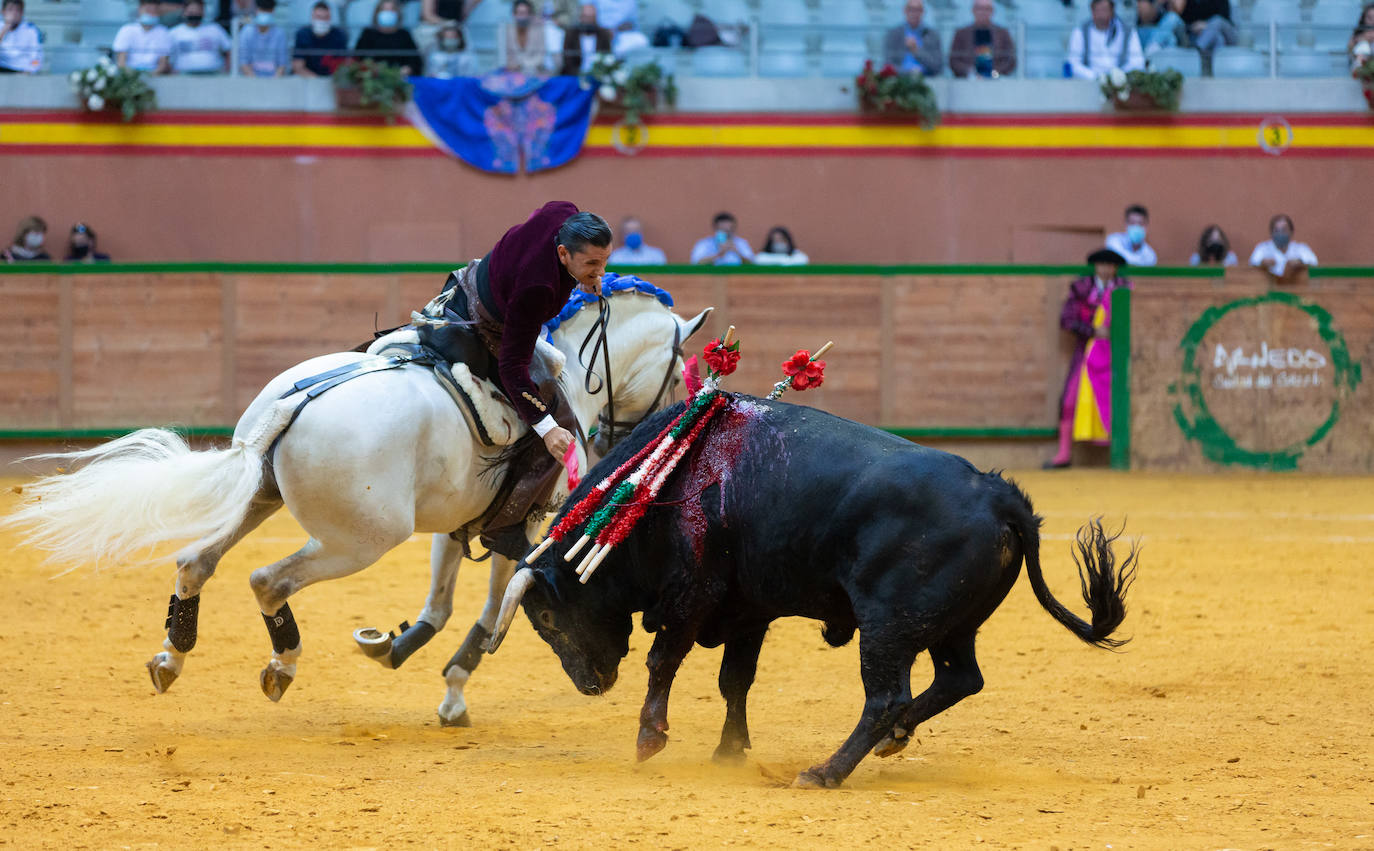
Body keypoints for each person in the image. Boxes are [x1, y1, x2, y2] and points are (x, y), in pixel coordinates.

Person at [414, 202, 611, 557]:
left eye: (604, 262)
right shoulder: (539, 288)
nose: (600, 271)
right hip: (483, 324)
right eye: (592, 264)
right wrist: (548, 428)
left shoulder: (563, 212)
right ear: (563, 253)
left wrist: (585, 277)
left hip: (465, 282)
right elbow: (512, 367)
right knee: (559, 415)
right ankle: (505, 526)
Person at [1046, 248, 1132, 469]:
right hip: (1085, 350)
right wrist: (1093, 331)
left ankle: (1122, 453)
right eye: (1102, 264)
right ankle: (1064, 454)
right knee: (1069, 400)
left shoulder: (1124, 288)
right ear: (1096, 266)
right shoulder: (1081, 288)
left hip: (1119, 354)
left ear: (1115, 268)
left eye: (1110, 265)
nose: (1106, 268)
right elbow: (1067, 320)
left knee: (1123, 400)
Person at [1066, 0, 1144, 80]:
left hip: (1122, 86)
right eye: (1097, 11)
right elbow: (1073, 63)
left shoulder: (1128, 32)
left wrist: (1118, 77)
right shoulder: (1080, 32)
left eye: (1104, 10)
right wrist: (1095, 76)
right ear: (1092, 11)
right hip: (1089, 84)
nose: (1100, 15)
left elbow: (1138, 63)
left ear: (1112, 10)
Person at [948, 0, 1015, 78]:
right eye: (979, 8)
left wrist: (995, 73)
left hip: (997, 82)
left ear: (992, 11)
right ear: (973, 10)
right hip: (967, 82)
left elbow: (1010, 60)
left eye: (987, 9)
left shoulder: (1002, 33)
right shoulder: (961, 33)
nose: (983, 12)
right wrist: (969, 73)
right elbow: (953, 60)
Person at [1166, 0, 1234, 76]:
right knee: (1218, 38)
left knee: (1216, 21)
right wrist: (1195, 27)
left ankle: (1198, 48)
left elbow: (1225, 19)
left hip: (1225, 32)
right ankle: (1216, 73)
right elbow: (1184, 23)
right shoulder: (1191, 3)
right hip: (1205, 36)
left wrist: (1207, 26)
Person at [355, 0, 423, 74]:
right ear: (377, 13)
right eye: (384, 10)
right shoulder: (368, 34)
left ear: (398, 13)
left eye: (392, 10)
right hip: (373, 77)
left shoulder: (404, 34)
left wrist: (407, 69)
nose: (388, 13)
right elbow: (358, 59)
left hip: (401, 79)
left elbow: (415, 61)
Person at [1249, 214, 1318, 286]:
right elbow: (1252, 263)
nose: (1280, 233)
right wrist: (1262, 263)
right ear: (1271, 233)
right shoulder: (1263, 248)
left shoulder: (1300, 248)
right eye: (1276, 230)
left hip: (1295, 288)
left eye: (1284, 230)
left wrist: (1300, 262)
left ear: (1291, 232)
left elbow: (1313, 262)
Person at [169, 0, 231, 74]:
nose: (194, 15)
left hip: (213, 74)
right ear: (184, 13)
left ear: (203, 13)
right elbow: (166, 56)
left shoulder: (215, 29)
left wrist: (228, 70)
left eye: (197, 12)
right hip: (183, 75)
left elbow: (229, 50)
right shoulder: (174, 32)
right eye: (191, 13)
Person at [884, 0, 942, 77]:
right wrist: (908, 73)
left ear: (923, 12)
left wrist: (916, 51)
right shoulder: (894, 34)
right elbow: (888, 63)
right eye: (911, 9)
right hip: (899, 80)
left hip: (926, 80)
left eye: (918, 10)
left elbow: (937, 66)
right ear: (905, 11)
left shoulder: (932, 35)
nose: (914, 13)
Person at [114, 0, 174, 73]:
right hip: (129, 76)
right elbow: (121, 62)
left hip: (154, 76)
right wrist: (132, 76)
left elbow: (163, 64)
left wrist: (150, 76)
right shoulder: (127, 30)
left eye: (154, 11)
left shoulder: (163, 32)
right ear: (140, 9)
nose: (151, 13)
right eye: (148, 10)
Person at [292, 1, 347, 77]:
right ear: (312, 17)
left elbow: (343, 65)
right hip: (308, 78)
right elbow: (298, 66)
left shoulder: (339, 35)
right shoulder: (302, 34)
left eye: (325, 18)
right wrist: (316, 80)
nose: (322, 21)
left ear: (330, 18)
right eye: (319, 17)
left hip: (331, 79)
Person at [238, 0, 289, 76]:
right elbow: (243, 61)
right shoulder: (246, 32)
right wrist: (255, 82)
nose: (265, 13)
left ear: (272, 11)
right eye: (262, 10)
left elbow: (282, 64)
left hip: (274, 81)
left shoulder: (280, 34)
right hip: (250, 81)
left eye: (267, 10)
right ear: (256, 10)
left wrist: (273, 83)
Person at [503, 0, 555, 74]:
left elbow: (540, 57)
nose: (522, 16)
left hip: (534, 72)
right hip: (512, 73)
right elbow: (506, 56)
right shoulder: (508, 30)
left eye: (525, 13)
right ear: (513, 14)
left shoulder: (538, 30)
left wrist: (522, 65)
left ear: (530, 15)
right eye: (520, 13)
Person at [560, 2, 611, 75]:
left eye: (592, 17)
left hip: (598, 75)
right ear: (581, 17)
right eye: (586, 17)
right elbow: (568, 60)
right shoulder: (571, 34)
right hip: (576, 75)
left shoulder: (603, 34)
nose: (589, 21)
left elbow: (607, 56)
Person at [0, 0, 43, 74]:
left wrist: (28, 71)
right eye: (10, 9)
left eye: (18, 10)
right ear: (3, 12)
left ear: (22, 13)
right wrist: (5, 28)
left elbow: (36, 58)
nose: (14, 14)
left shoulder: (31, 31)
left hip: (21, 71)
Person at [1348, 3, 1374, 71]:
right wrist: (1360, 39)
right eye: (1369, 18)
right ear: (1363, 18)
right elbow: (1350, 51)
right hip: (1363, 72)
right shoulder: (1358, 35)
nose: (1373, 21)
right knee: (1363, 45)